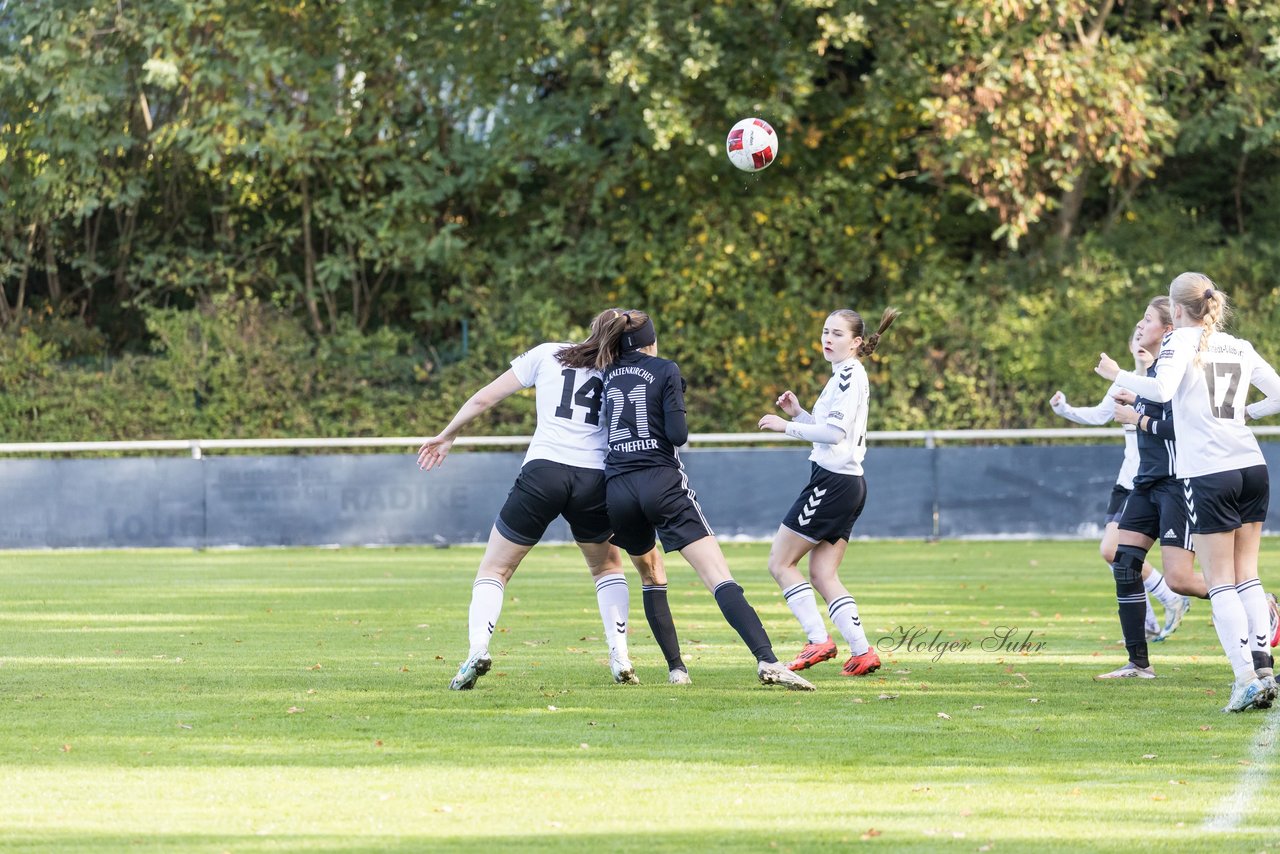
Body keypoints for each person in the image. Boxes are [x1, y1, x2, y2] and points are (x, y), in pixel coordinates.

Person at [418, 310, 690, 691]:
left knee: (494, 570)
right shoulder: (620, 369)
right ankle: (620, 655)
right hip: (595, 479)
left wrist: (447, 434)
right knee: (607, 569)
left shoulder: (548, 353)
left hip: (544, 472)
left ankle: (477, 648)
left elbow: (484, 399)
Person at [570, 308, 815, 691]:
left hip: (617, 490)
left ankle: (677, 670)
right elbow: (678, 434)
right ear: (651, 341)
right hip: (661, 483)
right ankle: (767, 660)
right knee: (719, 577)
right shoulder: (665, 369)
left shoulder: (606, 372)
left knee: (652, 578)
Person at [1098, 273, 1280, 711]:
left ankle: (1245, 680)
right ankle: (1266, 671)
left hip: (1211, 472)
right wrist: (1243, 413)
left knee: (1220, 583)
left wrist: (1117, 372)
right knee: (1247, 575)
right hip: (1252, 466)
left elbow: (1160, 389)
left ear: (1177, 310)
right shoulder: (1238, 345)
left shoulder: (1182, 340)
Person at [755, 307, 897, 677]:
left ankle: (818, 640)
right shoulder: (842, 375)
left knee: (780, 562)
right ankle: (863, 651)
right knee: (822, 573)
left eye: (836, 334)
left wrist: (785, 427)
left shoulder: (849, 375)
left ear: (855, 343)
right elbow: (829, 429)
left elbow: (835, 436)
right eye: (825, 332)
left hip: (832, 483)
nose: (827, 339)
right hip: (848, 483)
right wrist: (800, 414)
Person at [1081, 297, 1208, 679]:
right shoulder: (1149, 376)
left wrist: (1133, 410)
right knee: (1123, 563)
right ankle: (1139, 663)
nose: (1140, 324)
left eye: (1148, 318)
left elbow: (1180, 427)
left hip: (1175, 483)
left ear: (1168, 330)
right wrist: (1130, 395)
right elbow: (1143, 401)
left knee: (1180, 580)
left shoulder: (1175, 370)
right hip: (1146, 483)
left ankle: (1257, 601)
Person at [1050, 325, 1195, 646]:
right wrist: (1065, 409)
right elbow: (1100, 416)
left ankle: (1171, 598)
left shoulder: (1166, 384)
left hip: (1158, 482)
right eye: (1135, 337)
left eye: (1145, 331)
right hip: (1128, 483)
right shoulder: (1123, 381)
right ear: (1131, 347)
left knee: (1114, 552)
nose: (1140, 342)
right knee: (1117, 556)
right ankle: (1149, 620)